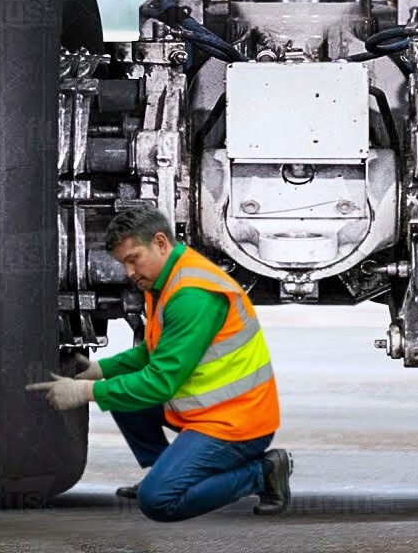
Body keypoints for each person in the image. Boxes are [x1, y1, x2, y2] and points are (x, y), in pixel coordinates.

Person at [26, 206, 291, 521]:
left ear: (161, 243)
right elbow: (155, 352)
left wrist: (85, 391)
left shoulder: (192, 295)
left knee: (159, 501)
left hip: (235, 423)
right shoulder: (167, 278)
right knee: (121, 394)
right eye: (123, 263)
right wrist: (102, 370)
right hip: (205, 406)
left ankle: (262, 473)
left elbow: (160, 382)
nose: (128, 272)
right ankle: (164, 469)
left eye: (133, 259)